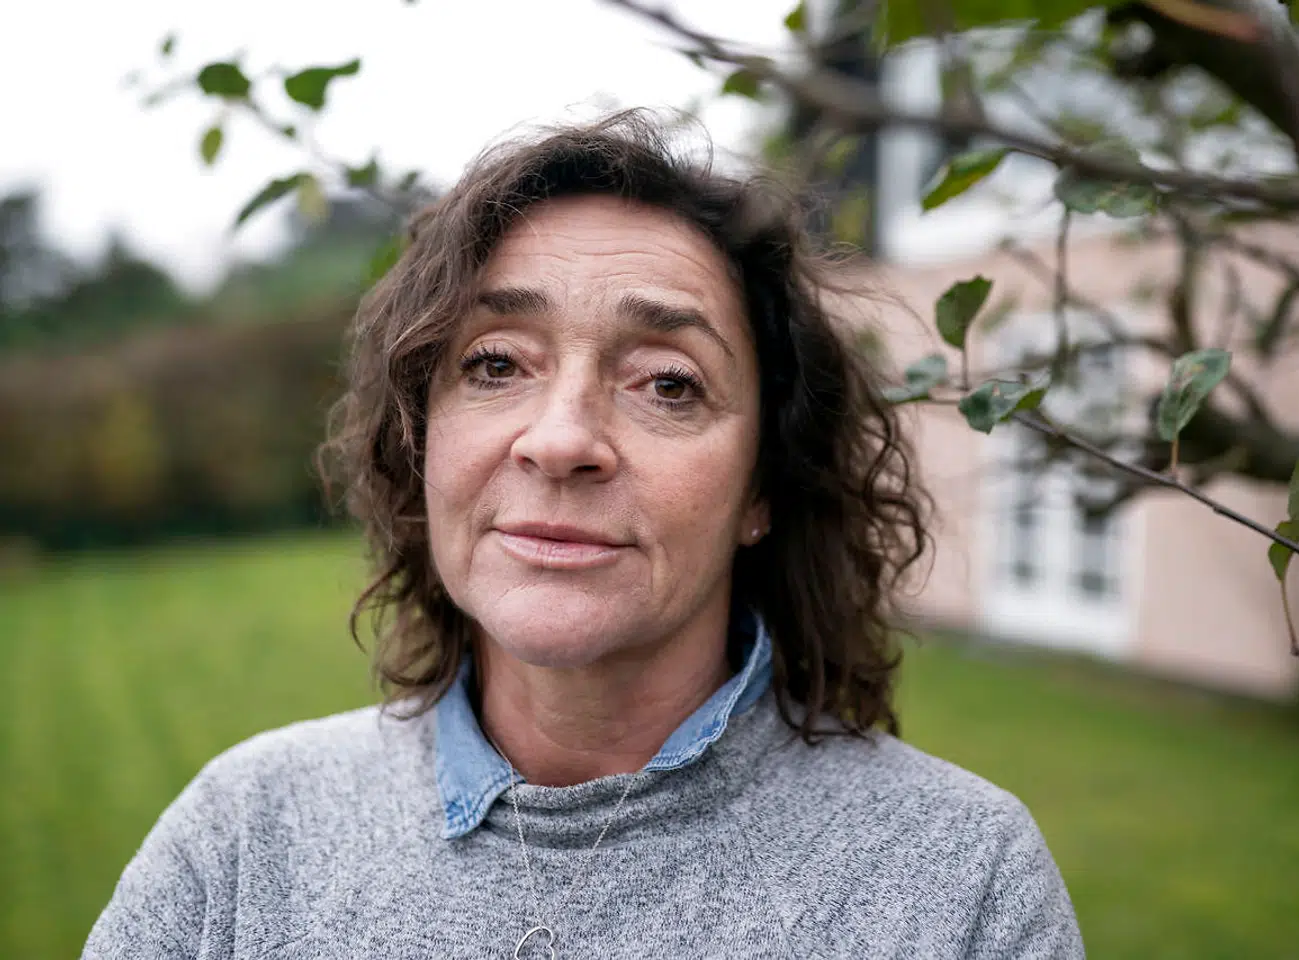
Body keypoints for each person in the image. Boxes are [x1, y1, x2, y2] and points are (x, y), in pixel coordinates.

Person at [84, 109, 1085, 959]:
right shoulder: (245, 839)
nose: (561, 440)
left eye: (668, 384)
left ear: (763, 486)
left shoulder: (963, 883)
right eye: (495, 364)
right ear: (422, 441)